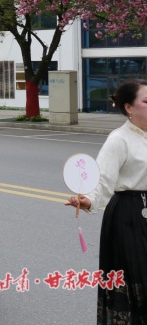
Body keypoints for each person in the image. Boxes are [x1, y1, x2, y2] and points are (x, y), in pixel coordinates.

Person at [66, 79, 147, 323]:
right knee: (137, 276)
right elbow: (102, 179)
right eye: (146, 100)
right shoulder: (119, 139)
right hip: (129, 215)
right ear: (129, 108)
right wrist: (88, 200)